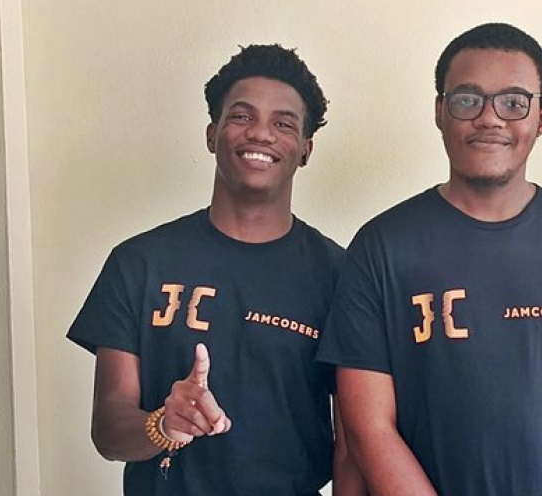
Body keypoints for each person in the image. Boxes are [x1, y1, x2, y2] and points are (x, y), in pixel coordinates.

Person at [316, 23, 542, 496]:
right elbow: (368, 426)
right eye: (467, 99)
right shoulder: (381, 246)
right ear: (440, 111)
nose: (489, 118)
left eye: (513, 102)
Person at [68, 44, 364, 496]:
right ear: (212, 134)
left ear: (306, 149)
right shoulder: (139, 263)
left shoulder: (340, 275)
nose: (260, 133)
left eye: (283, 123)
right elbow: (108, 429)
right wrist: (164, 425)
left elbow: (352, 443)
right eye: (242, 116)